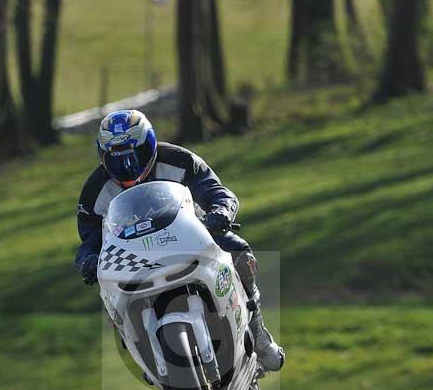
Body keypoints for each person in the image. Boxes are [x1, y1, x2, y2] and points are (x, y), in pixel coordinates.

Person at [75, 109, 285, 371]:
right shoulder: (94, 191)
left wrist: (220, 212)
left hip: (189, 236)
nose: (127, 167)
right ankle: (140, 351)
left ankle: (258, 330)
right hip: (132, 258)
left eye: (133, 155)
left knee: (239, 250)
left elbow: (215, 191)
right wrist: (87, 259)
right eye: (116, 160)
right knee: (108, 292)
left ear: (149, 144)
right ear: (102, 156)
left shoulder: (180, 160)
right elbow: (89, 238)